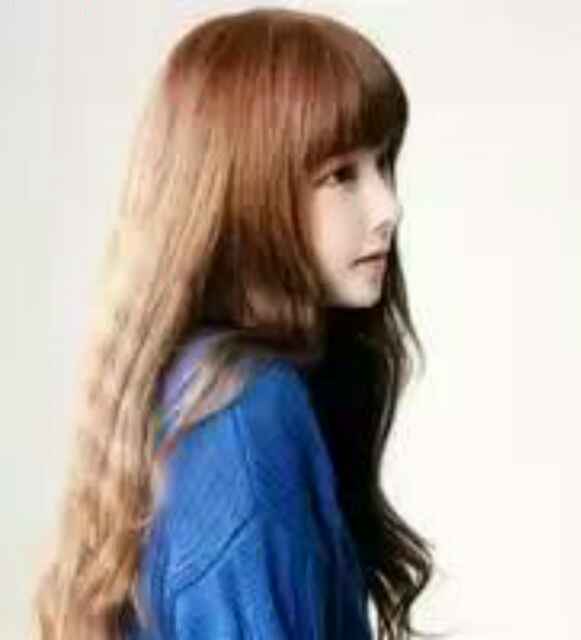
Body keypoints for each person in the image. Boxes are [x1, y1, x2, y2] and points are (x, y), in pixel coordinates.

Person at [31, 7, 439, 639]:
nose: (389, 208)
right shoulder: (245, 417)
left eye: (384, 163)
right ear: (246, 189)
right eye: (341, 175)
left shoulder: (197, 390)